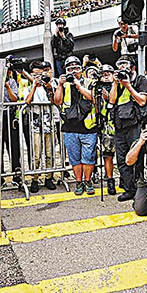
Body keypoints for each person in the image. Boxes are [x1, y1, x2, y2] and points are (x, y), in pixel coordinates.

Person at [53, 55, 97, 195]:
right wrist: (60, 85)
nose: (73, 72)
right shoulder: (63, 84)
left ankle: (88, 180)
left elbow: (93, 97)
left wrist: (78, 85)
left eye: (76, 68)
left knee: (88, 156)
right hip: (70, 127)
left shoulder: (89, 82)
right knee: (74, 157)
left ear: (81, 69)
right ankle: (78, 182)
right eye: (70, 69)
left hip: (88, 126)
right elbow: (57, 101)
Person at [109, 55, 147, 201]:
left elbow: (142, 101)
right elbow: (112, 100)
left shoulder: (140, 80)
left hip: (135, 124)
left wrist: (128, 86)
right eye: (119, 64)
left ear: (133, 67)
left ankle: (141, 188)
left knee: (138, 157)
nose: (122, 67)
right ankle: (129, 189)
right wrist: (115, 83)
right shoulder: (117, 82)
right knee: (121, 159)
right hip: (120, 125)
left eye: (125, 64)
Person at [23, 60, 59, 192]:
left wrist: (47, 86)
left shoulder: (48, 85)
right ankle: (35, 179)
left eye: (40, 74)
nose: (38, 76)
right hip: (35, 125)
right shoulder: (28, 87)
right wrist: (34, 85)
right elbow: (27, 101)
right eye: (35, 74)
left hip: (49, 123)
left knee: (50, 153)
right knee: (36, 155)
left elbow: (54, 101)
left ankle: (49, 177)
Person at [95, 64, 118, 194]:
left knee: (122, 154)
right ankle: (110, 181)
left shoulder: (120, 84)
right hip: (106, 125)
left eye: (109, 72)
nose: (106, 75)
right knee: (107, 155)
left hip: (120, 124)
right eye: (103, 73)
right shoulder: (97, 88)